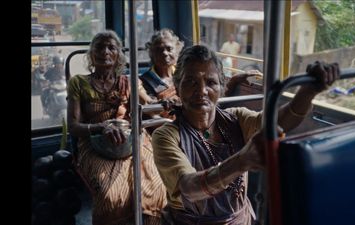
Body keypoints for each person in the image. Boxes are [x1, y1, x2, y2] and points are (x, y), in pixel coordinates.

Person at [151, 45, 340, 224]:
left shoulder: (237, 119)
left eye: (210, 82)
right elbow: (190, 188)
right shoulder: (166, 136)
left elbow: (279, 123)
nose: (201, 91)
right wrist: (241, 161)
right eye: (191, 82)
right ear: (177, 87)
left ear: (222, 87)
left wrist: (307, 93)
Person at [67, 30, 167, 225]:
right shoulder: (78, 83)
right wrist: (100, 128)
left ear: (118, 55)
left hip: (133, 141)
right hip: (94, 143)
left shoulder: (129, 82)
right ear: (91, 53)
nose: (105, 51)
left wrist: (168, 106)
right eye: (100, 47)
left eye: (111, 47)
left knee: (155, 188)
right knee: (110, 197)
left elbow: (149, 105)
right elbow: (73, 126)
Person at [140, 28, 184, 105]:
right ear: (152, 54)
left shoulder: (183, 75)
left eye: (169, 49)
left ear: (177, 50)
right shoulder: (144, 81)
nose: (164, 53)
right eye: (159, 50)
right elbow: (151, 106)